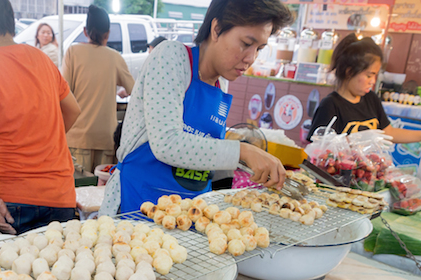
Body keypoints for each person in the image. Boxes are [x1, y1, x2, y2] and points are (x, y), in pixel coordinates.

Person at [100, 0, 293, 215]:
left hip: (188, 213)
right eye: (246, 43)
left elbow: (204, 145)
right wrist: (243, 151)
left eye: (259, 48)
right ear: (216, 28)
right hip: (139, 205)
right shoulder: (171, 57)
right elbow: (167, 143)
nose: (251, 58)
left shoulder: (222, 82)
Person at [0, 0, 81, 234]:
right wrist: (44, 140)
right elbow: (73, 110)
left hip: (13, 199)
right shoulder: (41, 59)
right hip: (61, 195)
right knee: (59, 268)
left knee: (14, 269)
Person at [307, 34, 421, 143]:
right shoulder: (330, 106)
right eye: (369, 75)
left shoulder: (371, 99)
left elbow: (388, 133)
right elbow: (319, 147)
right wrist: (358, 139)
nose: (373, 81)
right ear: (349, 72)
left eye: (375, 75)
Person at [62, 5, 135, 173]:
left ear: (85, 31)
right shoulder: (115, 57)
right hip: (106, 138)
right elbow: (135, 90)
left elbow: (63, 92)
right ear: (107, 33)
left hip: (77, 137)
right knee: (101, 190)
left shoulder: (73, 52)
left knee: (79, 191)